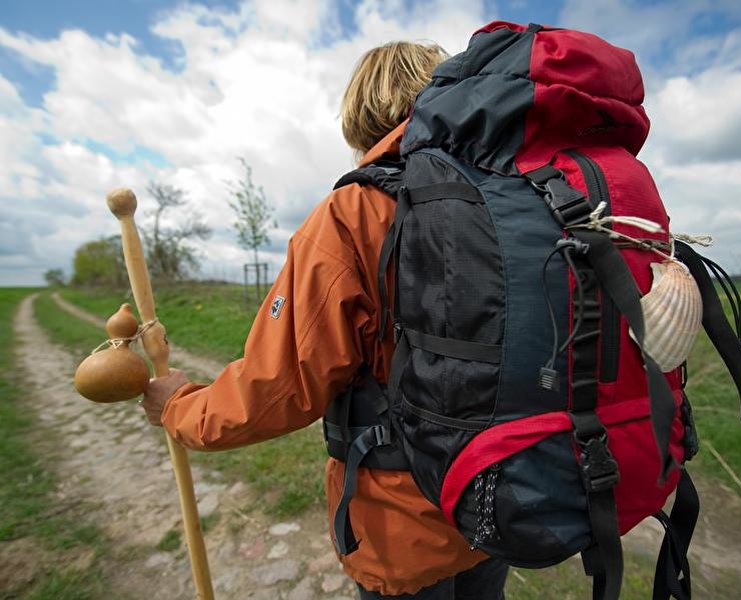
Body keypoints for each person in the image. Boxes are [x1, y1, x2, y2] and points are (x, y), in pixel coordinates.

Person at [142, 41, 510, 599]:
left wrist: (178, 406)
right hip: (499, 498)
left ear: (361, 113)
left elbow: (277, 385)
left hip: (404, 522)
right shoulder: (510, 205)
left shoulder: (354, 213)